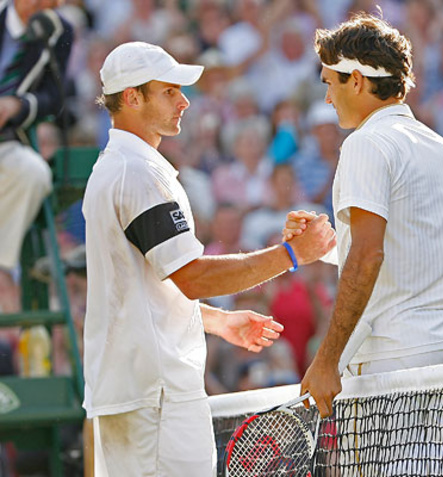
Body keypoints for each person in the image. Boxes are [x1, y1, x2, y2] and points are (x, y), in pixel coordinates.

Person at [83, 41, 336, 477]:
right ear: (131, 97)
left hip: (142, 393)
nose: (184, 101)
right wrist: (293, 254)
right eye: (169, 92)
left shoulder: (121, 167)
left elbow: (150, 289)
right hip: (155, 395)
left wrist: (217, 322)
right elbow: (193, 277)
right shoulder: (138, 173)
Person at [285, 13, 443, 418]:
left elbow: (369, 257)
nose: (326, 98)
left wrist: (327, 359)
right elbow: (401, 251)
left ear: (355, 81)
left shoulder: (366, 144)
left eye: (329, 83)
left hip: (394, 360)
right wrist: (324, 248)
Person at [0, 0, 74, 313]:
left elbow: (54, 98)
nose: (55, 4)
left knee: (34, 172)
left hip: (6, 136)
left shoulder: (59, 30)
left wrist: (18, 106)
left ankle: (2, 267)